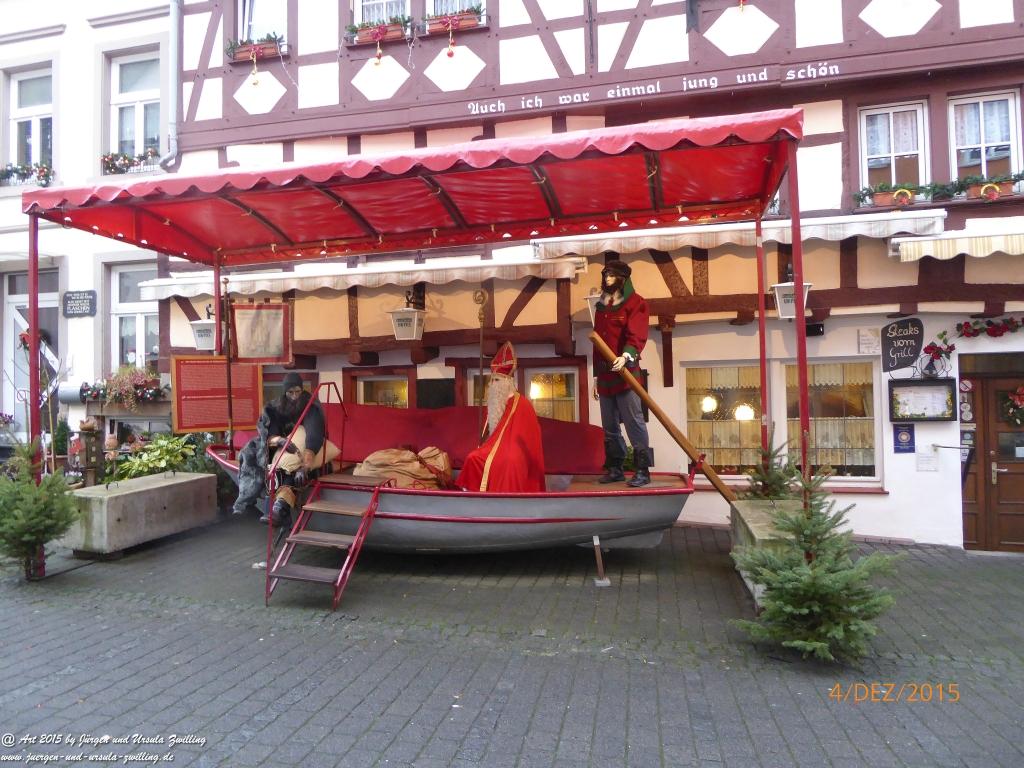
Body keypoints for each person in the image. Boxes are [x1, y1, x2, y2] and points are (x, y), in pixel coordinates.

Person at [232, 372, 338, 527]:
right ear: (285, 392)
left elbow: (313, 437)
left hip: (307, 452)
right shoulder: (276, 407)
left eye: (297, 391)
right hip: (281, 448)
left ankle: (280, 509)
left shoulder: (311, 407)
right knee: (268, 464)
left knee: (294, 472)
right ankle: (278, 509)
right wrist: (279, 440)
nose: (294, 396)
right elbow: (268, 434)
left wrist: (306, 466)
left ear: (302, 390)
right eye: (290, 392)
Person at [592, 259, 651, 487]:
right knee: (610, 426)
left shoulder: (636, 303)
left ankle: (643, 470)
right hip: (606, 376)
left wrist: (626, 356)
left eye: (612, 275)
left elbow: (636, 336)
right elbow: (597, 341)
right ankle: (615, 468)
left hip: (626, 374)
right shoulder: (601, 306)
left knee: (634, 422)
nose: (607, 278)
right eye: (605, 274)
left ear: (623, 278)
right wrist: (596, 376)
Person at [458, 341, 546, 493]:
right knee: (473, 457)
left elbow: (527, 439)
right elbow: (489, 436)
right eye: (491, 380)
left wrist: (506, 451)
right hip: (492, 450)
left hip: (515, 454)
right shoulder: (495, 403)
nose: (493, 384)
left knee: (510, 461)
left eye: (497, 380)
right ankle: (472, 494)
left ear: (508, 382)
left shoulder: (523, 404)